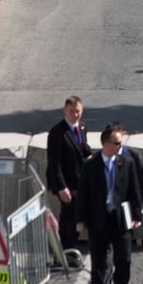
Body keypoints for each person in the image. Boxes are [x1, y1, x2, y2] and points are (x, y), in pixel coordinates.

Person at [76, 122, 143, 284]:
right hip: (99, 219)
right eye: (117, 143)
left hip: (120, 218)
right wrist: (80, 220)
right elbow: (83, 195)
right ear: (106, 144)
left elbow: (134, 190)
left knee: (123, 259)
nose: (120, 146)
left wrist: (137, 215)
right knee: (99, 263)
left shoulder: (126, 163)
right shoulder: (90, 166)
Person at [46, 96, 92, 251]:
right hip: (66, 183)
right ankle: (65, 249)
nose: (75, 115)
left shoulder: (82, 127)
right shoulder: (57, 133)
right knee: (70, 217)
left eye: (78, 111)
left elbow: (83, 149)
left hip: (79, 180)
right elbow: (54, 163)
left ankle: (67, 249)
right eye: (71, 111)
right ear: (65, 111)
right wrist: (61, 187)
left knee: (74, 216)